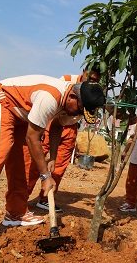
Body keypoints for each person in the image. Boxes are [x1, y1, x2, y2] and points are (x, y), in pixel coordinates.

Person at [0, 75, 105, 246]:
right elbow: (33, 137)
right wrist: (45, 176)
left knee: (23, 159)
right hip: (2, 100)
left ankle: (16, 213)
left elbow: (56, 125)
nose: (78, 115)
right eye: (79, 110)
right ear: (72, 97)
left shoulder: (71, 103)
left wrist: (53, 158)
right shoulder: (50, 97)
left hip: (22, 115)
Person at [25, 68, 101, 213]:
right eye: (89, 78)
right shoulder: (66, 80)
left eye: (95, 80)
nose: (92, 82)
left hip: (70, 127)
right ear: (84, 71)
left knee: (59, 166)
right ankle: (23, 198)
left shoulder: (95, 91)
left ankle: (46, 198)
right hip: (53, 124)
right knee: (37, 160)